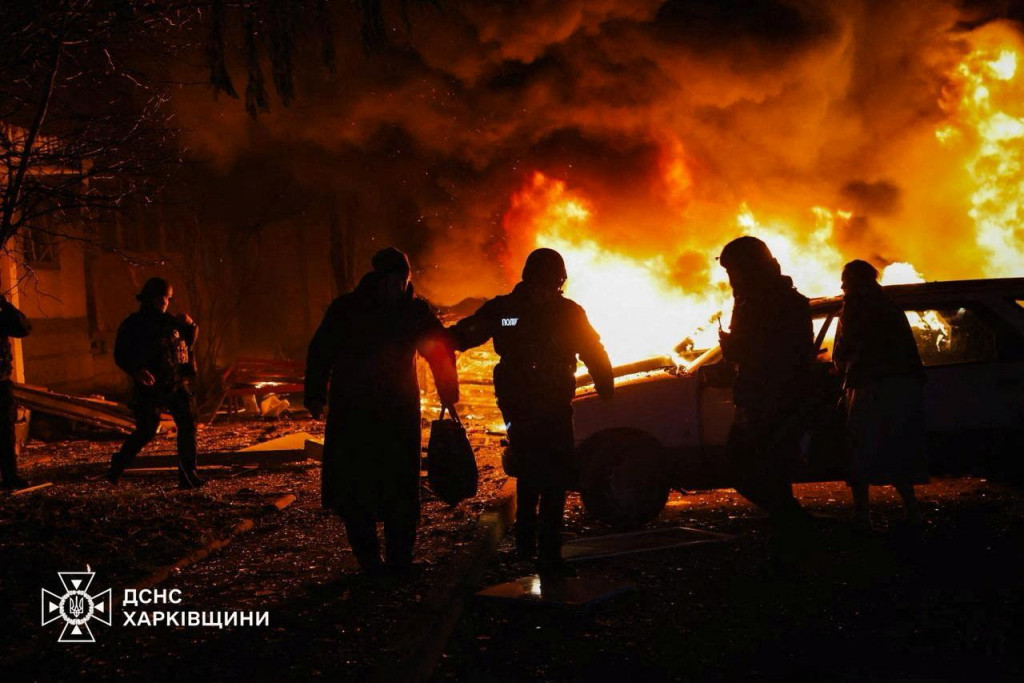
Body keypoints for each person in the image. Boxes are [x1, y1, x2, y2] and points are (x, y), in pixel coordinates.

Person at [451, 248, 613, 577]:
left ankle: (542, 549)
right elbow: (468, 333)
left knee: (551, 473)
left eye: (551, 284)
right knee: (533, 466)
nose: (547, 289)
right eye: (546, 282)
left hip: (550, 403)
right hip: (519, 403)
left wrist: (605, 383)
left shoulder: (565, 312)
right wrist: (438, 338)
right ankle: (532, 545)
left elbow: (592, 349)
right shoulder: (507, 309)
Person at [305, 247, 459, 577]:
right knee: (357, 488)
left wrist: (448, 392)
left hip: (395, 411)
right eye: (395, 279)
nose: (400, 286)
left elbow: (439, 349)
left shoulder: (412, 312)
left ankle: (400, 560)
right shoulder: (348, 309)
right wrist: (315, 394)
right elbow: (321, 350)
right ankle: (370, 562)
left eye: (404, 280)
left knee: (399, 487)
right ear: (380, 278)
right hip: (356, 412)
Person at [717, 236, 814, 549]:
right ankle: (786, 520)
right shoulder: (757, 301)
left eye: (735, 271)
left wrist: (735, 347)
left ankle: (790, 522)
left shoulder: (776, 304)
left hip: (773, 397)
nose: (732, 279)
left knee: (745, 462)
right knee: (766, 463)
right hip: (763, 395)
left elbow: (780, 353)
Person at [833, 259, 926, 528]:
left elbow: (847, 349)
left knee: (860, 447)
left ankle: (862, 515)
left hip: (868, 387)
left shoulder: (855, 307)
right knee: (897, 447)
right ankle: (912, 509)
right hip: (901, 387)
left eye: (845, 279)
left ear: (852, 280)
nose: (842, 285)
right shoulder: (889, 305)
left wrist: (839, 366)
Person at [106, 277, 201, 489]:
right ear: (149, 298)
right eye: (161, 298)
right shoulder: (133, 325)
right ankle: (117, 467)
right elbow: (121, 354)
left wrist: (191, 326)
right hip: (150, 386)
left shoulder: (171, 322)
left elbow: (188, 344)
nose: (165, 302)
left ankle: (188, 473)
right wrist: (137, 371)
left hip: (175, 382)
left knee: (187, 424)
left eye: (168, 298)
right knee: (147, 429)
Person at [0, 294, 31, 490]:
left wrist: (5, 306)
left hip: (0, 384)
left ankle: (10, 477)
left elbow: (23, 328)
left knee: (5, 432)